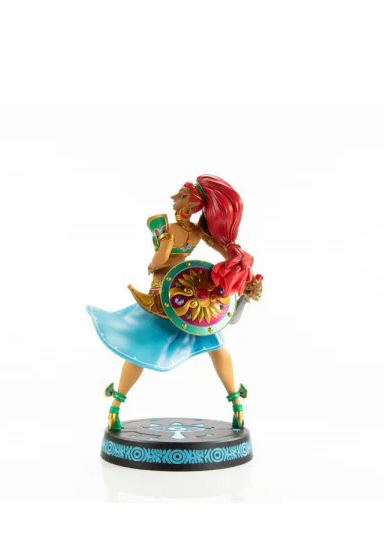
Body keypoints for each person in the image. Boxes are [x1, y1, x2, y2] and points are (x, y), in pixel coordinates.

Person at [86, 174, 263, 432]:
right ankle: (236, 402)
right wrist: (241, 264)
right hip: (187, 300)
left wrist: (158, 255)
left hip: (165, 297)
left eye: (180, 196)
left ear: (190, 204)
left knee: (138, 349)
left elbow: (159, 261)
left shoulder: (167, 228)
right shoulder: (199, 232)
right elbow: (226, 251)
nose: (174, 198)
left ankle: (116, 405)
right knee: (216, 347)